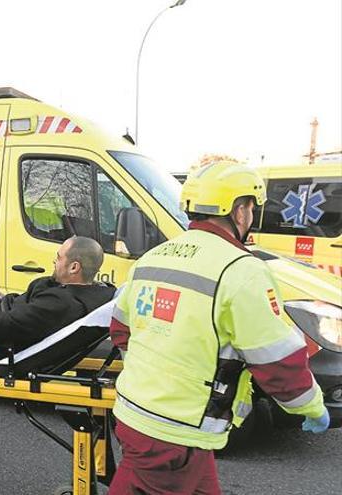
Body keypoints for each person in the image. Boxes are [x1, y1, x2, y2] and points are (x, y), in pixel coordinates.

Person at [107, 162, 331, 495]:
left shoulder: (151, 259)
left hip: (147, 419)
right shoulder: (242, 271)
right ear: (240, 211)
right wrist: (311, 406)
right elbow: (278, 362)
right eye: (252, 208)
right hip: (172, 434)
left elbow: (121, 330)